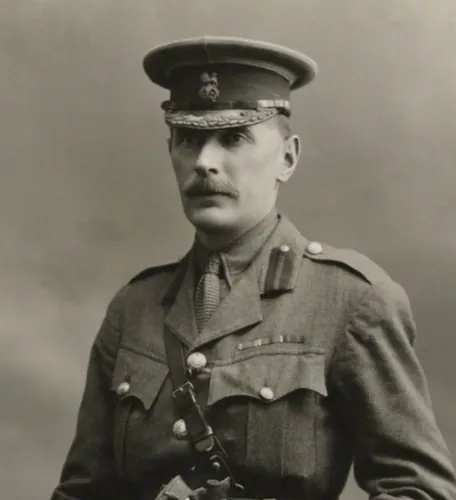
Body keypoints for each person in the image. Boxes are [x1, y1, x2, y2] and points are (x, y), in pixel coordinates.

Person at [50, 36, 456, 500]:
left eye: (234, 138)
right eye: (189, 140)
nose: (205, 163)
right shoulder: (134, 306)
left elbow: (420, 490)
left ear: (287, 157)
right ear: (170, 151)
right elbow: (84, 492)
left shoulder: (351, 300)